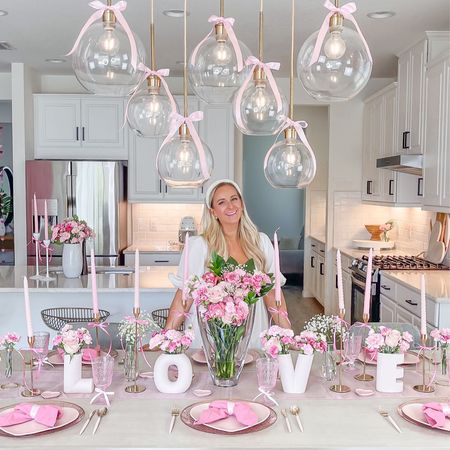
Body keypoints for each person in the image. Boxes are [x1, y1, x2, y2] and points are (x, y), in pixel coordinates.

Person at [166, 179, 291, 348]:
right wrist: (166, 337)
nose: (230, 206)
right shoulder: (199, 246)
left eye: (234, 199)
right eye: (221, 202)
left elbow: (272, 294)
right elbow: (185, 297)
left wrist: (288, 334)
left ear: (241, 203)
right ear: (213, 212)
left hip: (252, 338)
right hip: (211, 341)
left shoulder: (261, 243)